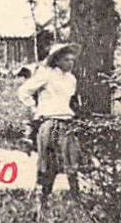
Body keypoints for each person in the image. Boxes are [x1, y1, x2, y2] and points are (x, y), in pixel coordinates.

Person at [18, 43, 82, 210]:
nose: (71, 63)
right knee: (48, 163)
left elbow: (71, 100)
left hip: (67, 123)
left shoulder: (71, 79)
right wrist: (35, 108)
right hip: (50, 123)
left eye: (72, 60)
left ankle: (78, 201)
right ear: (57, 60)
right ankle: (42, 202)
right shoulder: (46, 74)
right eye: (66, 59)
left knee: (71, 161)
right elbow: (24, 91)